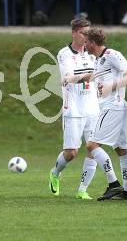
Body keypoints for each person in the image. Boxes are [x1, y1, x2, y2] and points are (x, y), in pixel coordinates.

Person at [48, 18, 100, 200]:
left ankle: (82, 190)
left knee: (94, 149)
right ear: (74, 33)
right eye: (83, 33)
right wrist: (91, 75)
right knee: (71, 153)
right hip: (73, 109)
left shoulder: (93, 54)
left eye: (88, 34)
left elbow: (98, 74)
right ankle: (55, 173)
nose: (86, 37)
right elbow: (69, 76)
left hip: (93, 108)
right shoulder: (64, 54)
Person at [84, 27, 127, 201]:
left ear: (92, 42)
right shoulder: (98, 60)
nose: (85, 46)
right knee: (122, 149)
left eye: (86, 43)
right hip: (113, 107)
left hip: (112, 107)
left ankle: (114, 184)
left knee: (91, 146)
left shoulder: (112, 54)